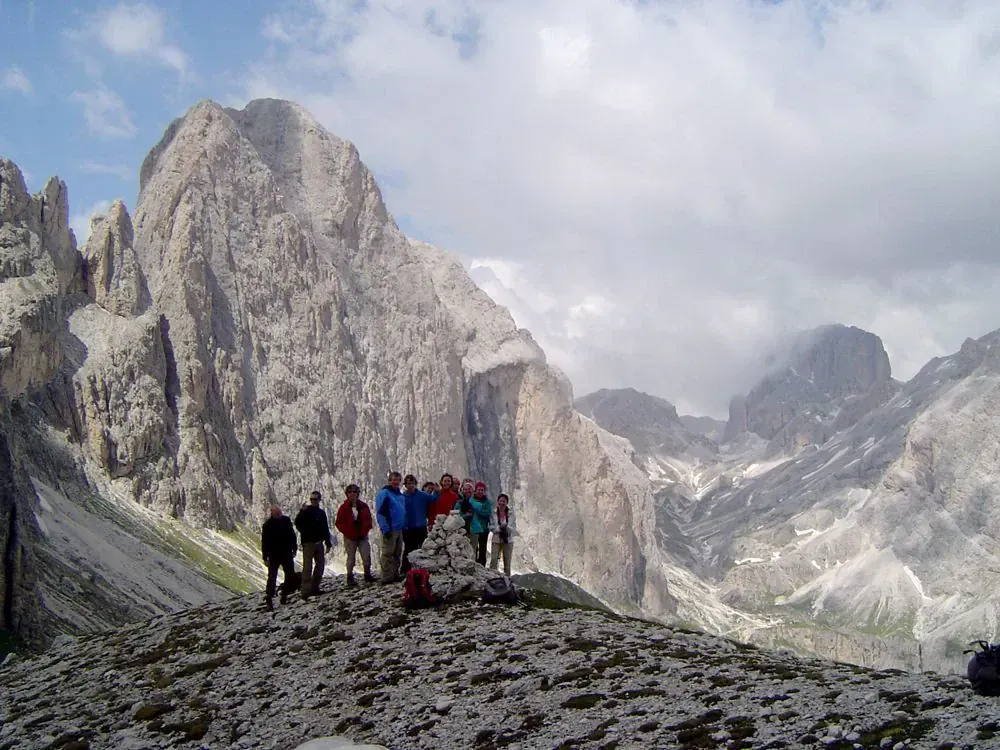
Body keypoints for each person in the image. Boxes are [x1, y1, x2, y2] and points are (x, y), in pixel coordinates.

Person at [294, 490, 333, 597]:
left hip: (319, 543)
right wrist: (302, 512)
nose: (313, 501)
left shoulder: (321, 513)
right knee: (307, 567)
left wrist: (328, 542)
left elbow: (325, 528)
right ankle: (306, 590)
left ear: (319, 500)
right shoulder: (305, 511)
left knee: (320, 566)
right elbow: (297, 523)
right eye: (311, 499)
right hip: (308, 543)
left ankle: (315, 588)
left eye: (315, 499)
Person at [334, 484, 375, 586]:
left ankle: (367, 574)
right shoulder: (343, 508)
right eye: (350, 492)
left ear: (358, 494)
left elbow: (368, 520)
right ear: (347, 494)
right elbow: (339, 523)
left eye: (354, 492)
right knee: (351, 557)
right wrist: (348, 532)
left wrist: (364, 530)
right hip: (350, 537)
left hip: (362, 536)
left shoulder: (363, 506)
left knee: (366, 555)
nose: (352, 494)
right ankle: (350, 576)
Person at [260, 505, 297, 610]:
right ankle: (270, 597)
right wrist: (265, 556)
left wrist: (294, 548)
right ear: (272, 514)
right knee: (272, 577)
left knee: (289, 574)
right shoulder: (267, 525)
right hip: (274, 554)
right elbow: (265, 542)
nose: (278, 515)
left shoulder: (286, 521)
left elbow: (292, 535)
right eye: (276, 513)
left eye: (279, 513)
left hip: (286, 553)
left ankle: (285, 594)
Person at [401, 475, 437, 574]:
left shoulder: (422, 495)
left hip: (421, 527)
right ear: (405, 485)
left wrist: (437, 491)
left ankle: (422, 570)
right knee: (409, 549)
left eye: (412, 483)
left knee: (423, 548)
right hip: (408, 528)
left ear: (416, 484)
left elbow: (434, 499)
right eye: (408, 483)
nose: (411, 486)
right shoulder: (402, 497)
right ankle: (405, 570)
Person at [375, 471, 407, 583]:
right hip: (390, 528)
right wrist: (385, 528)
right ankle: (386, 576)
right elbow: (380, 512)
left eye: (398, 480)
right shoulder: (384, 494)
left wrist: (404, 525)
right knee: (388, 553)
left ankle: (395, 574)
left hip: (399, 528)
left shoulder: (400, 495)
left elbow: (402, 511)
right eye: (393, 480)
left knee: (397, 553)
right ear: (389, 481)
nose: (396, 482)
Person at [489, 493, 516, 577]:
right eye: (500, 501)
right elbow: (490, 526)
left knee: (507, 562)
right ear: (497, 502)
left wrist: (506, 527)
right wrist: (499, 528)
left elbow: (514, 528)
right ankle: (492, 578)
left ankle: (507, 579)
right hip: (496, 539)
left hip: (508, 540)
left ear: (507, 502)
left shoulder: (511, 513)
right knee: (494, 560)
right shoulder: (493, 513)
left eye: (504, 501)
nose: (502, 503)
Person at [469, 481, 493, 566]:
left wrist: (477, 509)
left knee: (483, 548)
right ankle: (474, 564)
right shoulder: (471, 500)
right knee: (474, 548)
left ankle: (482, 565)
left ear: (484, 491)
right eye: (479, 490)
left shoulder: (487, 502)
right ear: (475, 490)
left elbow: (487, 513)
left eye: (482, 490)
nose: (480, 491)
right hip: (473, 528)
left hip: (484, 528)